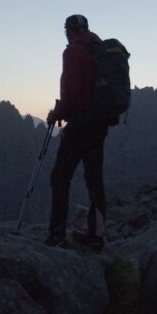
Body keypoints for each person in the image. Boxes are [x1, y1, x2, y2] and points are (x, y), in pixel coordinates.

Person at [45, 14, 107, 249]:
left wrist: (57, 113)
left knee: (60, 176)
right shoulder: (98, 49)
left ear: (69, 31)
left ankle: (57, 235)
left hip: (81, 123)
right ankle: (96, 237)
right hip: (99, 123)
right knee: (94, 179)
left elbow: (71, 91)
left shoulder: (73, 51)